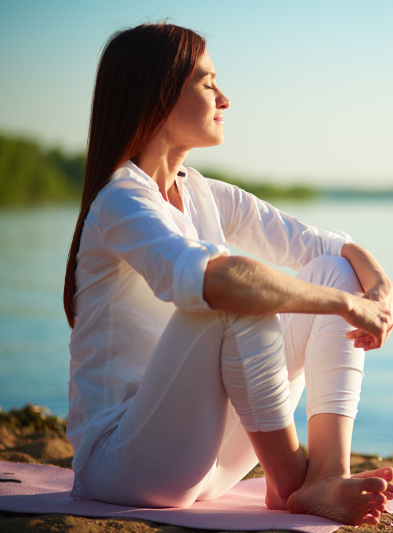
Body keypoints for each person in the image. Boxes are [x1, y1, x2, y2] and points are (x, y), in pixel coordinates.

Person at [64, 23, 393, 526]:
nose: (225, 98)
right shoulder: (121, 201)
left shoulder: (202, 193)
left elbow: (330, 247)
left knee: (330, 271)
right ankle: (290, 480)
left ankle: (325, 473)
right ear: (157, 95)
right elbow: (217, 280)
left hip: (211, 461)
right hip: (123, 464)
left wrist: (379, 288)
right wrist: (345, 305)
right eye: (207, 83)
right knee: (235, 293)